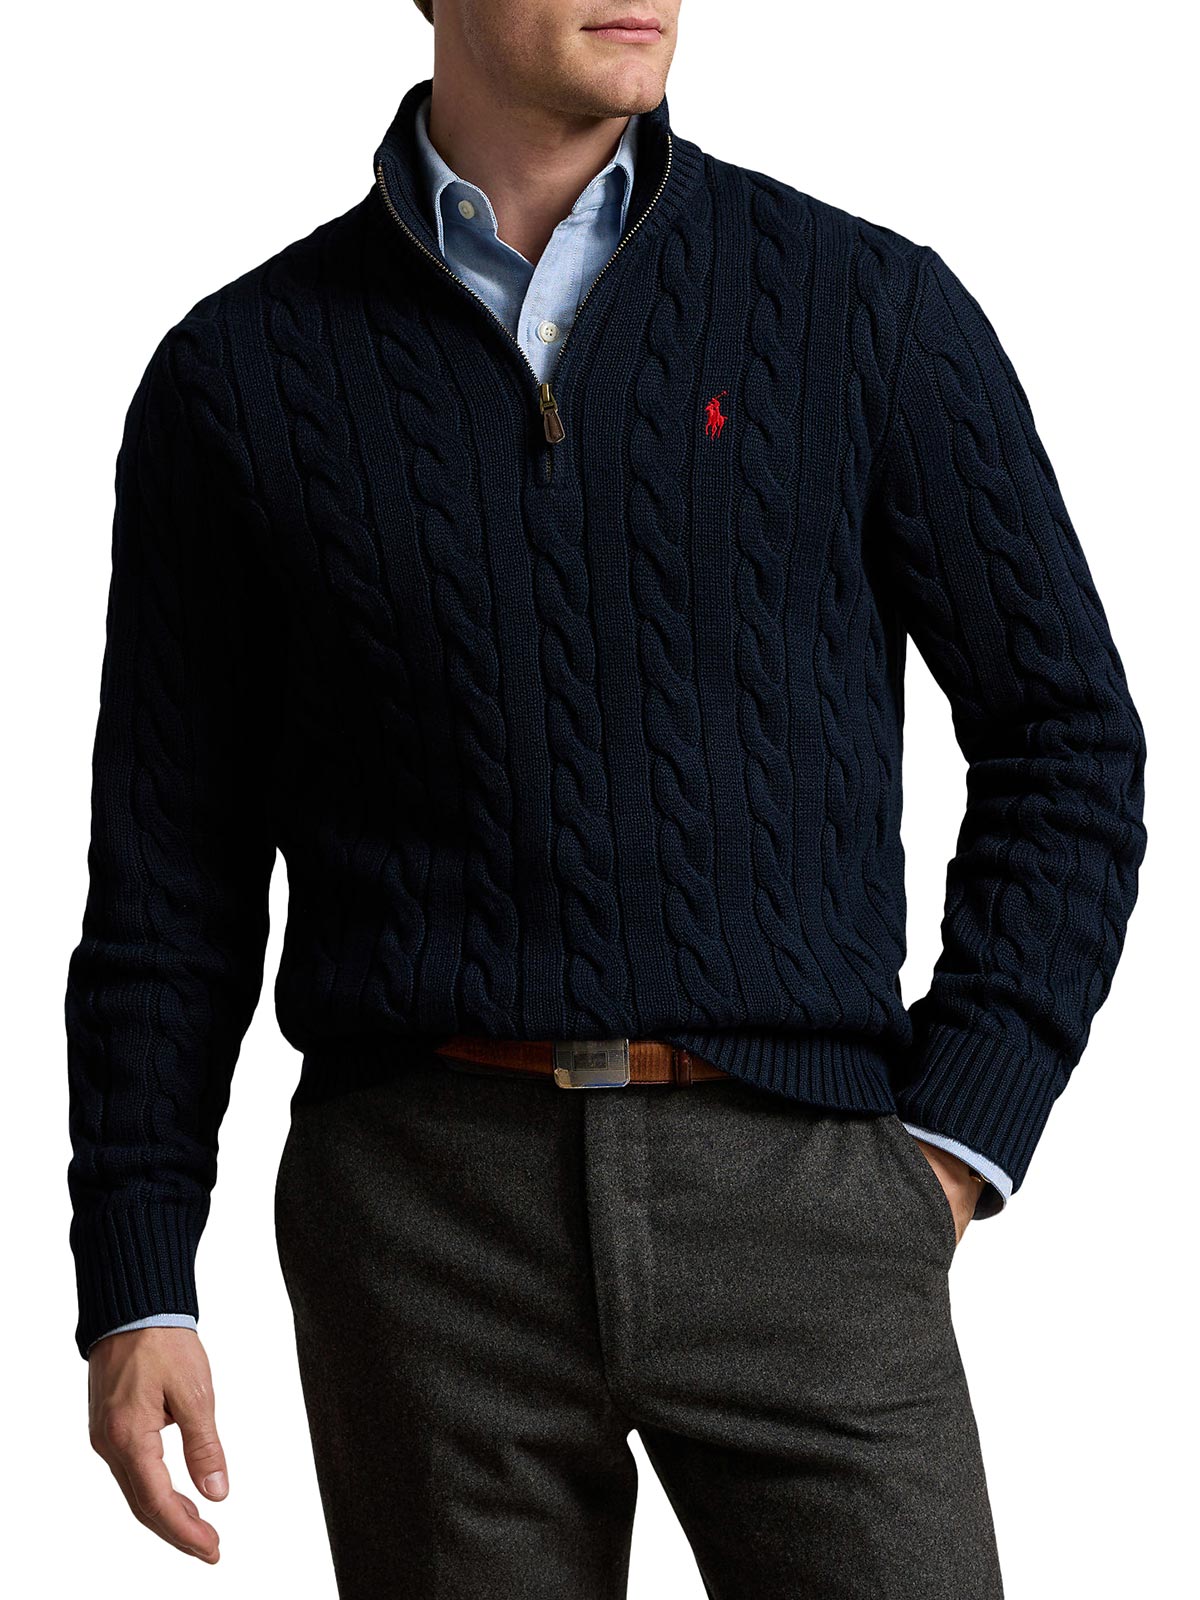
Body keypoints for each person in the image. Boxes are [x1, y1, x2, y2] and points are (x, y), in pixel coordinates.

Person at [67, 2, 1147, 1594]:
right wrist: (139, 1274)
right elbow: (172, 869)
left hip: (805, 1189)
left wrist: (956, 1139)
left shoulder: (863, 309)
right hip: (422, 1222)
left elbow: (1067, 739)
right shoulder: (239, 377)